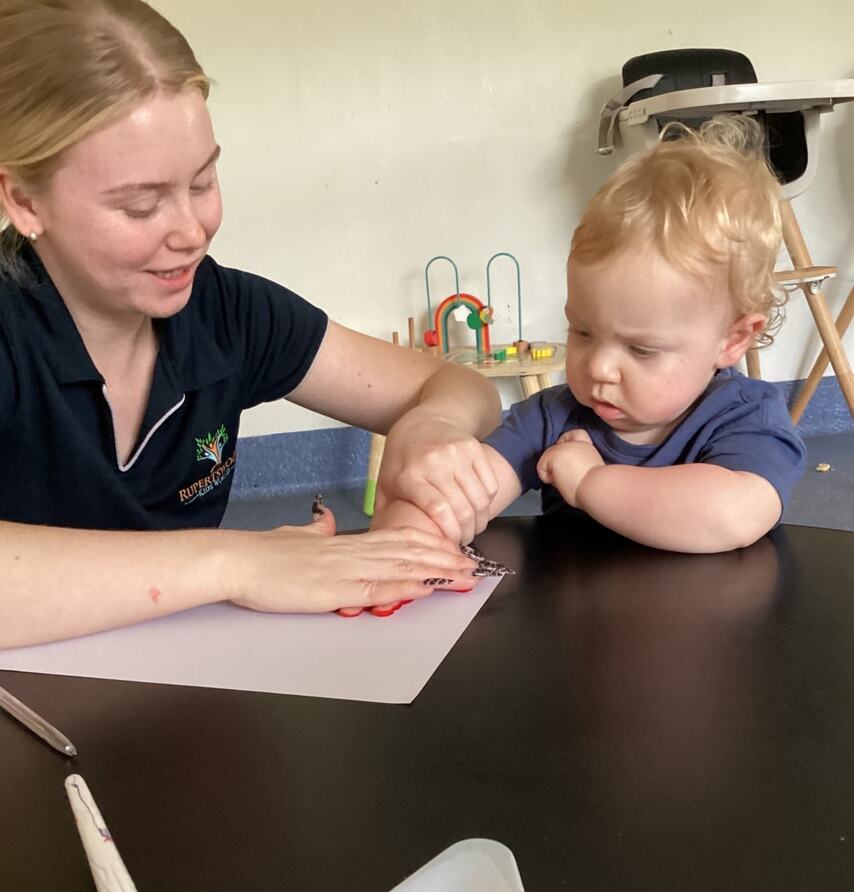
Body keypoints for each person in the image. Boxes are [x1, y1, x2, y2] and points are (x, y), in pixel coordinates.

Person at [0, 0, 502, 650]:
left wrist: (430, 429)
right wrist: (238, 562)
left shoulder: (226, 311)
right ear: (23, 200)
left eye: (203, 182)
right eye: (141, 206)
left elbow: (462, 387)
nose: (192, 232)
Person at [370, 115, 807, 568]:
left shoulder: (746, 417)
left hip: (708, 612)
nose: (598, 367)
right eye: (582, 331)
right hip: (578, 610)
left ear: (733, 340)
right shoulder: (552, 417)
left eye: (640, 349)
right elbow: (462, 497)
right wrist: (410, 534)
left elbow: (731, 515)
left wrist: (588, 483)